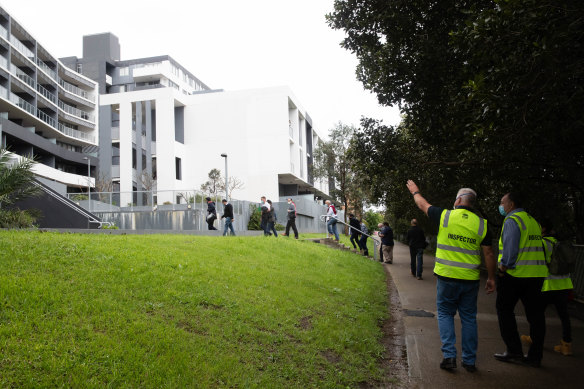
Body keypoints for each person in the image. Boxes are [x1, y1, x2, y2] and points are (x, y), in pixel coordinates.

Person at [406, 180, 497, 373]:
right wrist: (491, 277)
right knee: (469, 318)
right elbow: (488, 253)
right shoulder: (482, 225)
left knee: (446, 314)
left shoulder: (445, 215)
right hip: (470, 280)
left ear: (458, 200)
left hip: (447, 278)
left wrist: (415, 191)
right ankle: (469, 361)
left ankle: (449, 357)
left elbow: (422, 204)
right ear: (472, 203)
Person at [494, 192, 548, 368]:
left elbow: (510, 251)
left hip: (515, 275)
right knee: (536, 317)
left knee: (504, 310)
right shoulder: (533, 221)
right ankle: (535, 357)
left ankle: (514, 350)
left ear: (511, 204)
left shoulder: (512, 220)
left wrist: (502, 270)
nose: (501, 206)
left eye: (502, 203)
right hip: (537, 275)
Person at [521, 218, 573, 356]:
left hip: (547, 284)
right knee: (564, 316)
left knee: (536, 314)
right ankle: (566, 345)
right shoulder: (560, 243)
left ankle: (535, 338)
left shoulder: (543, 243)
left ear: (543, 229)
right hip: (564, 284)